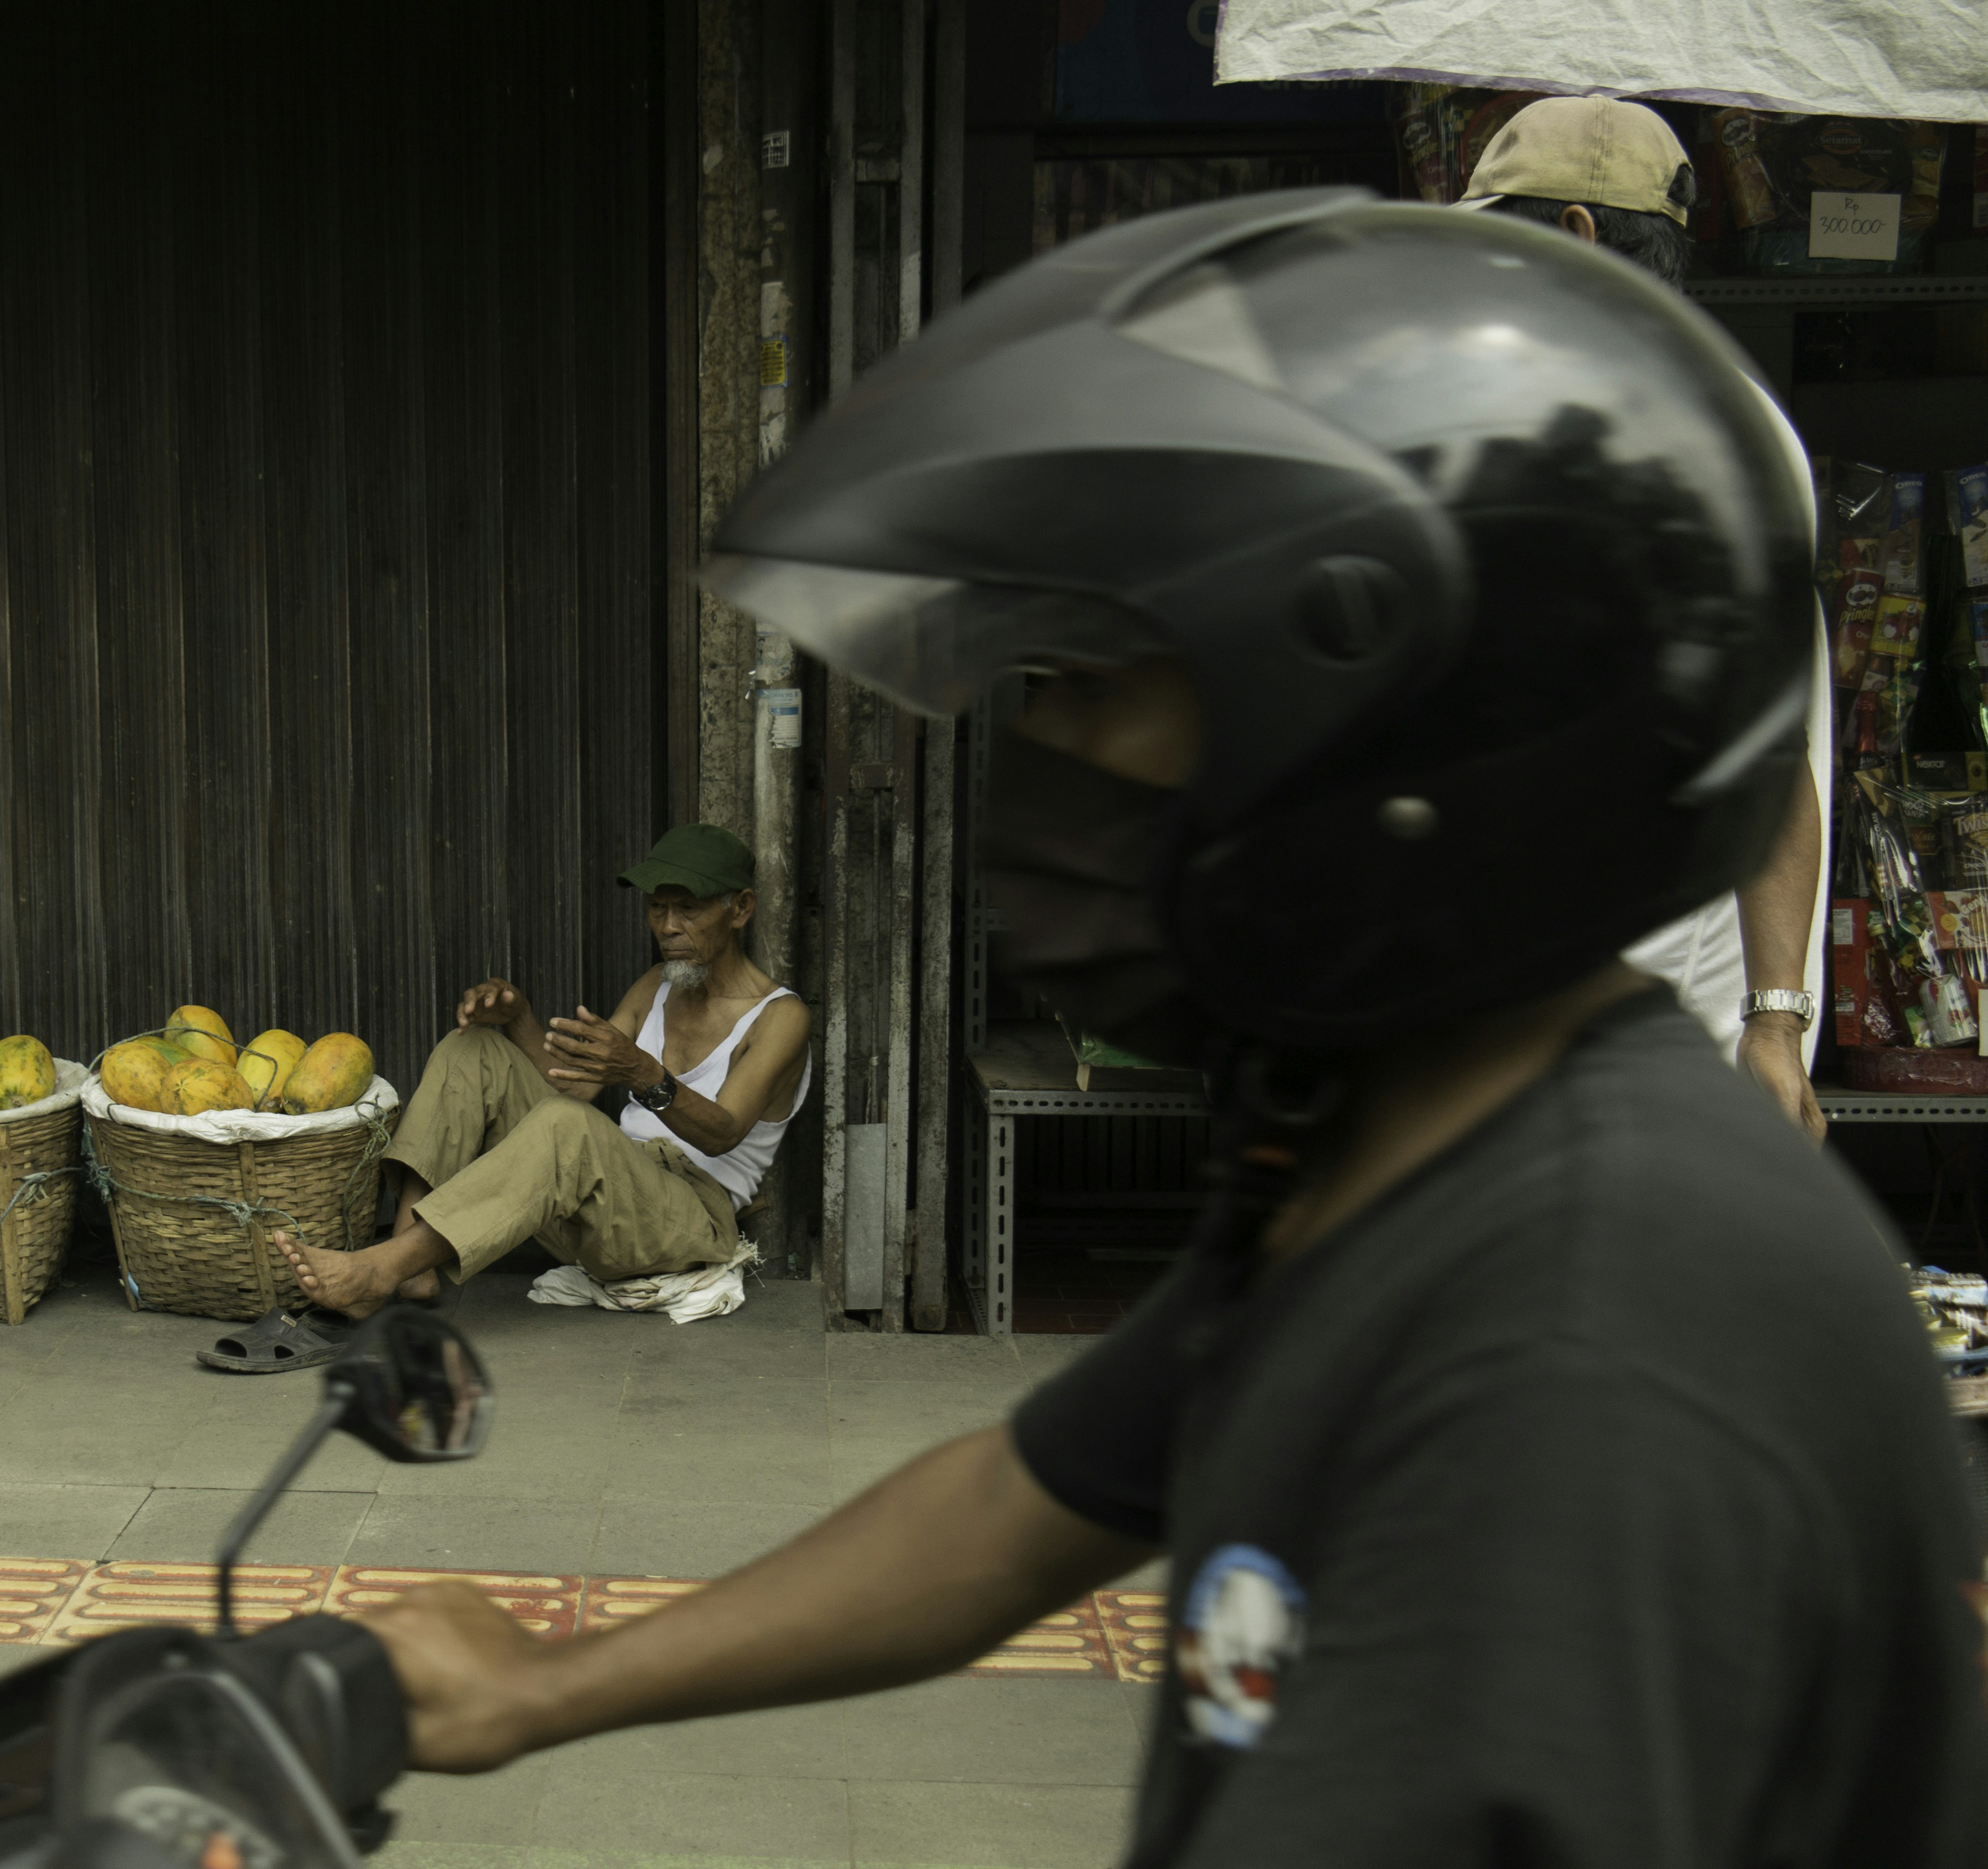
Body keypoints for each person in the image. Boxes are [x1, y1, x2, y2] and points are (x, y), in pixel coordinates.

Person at [359, 192, 1988, 1861]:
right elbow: (1011, 1514)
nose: (1049, 756)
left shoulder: (1585, 1336)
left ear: (1378, 736)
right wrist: (552, 1684)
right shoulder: (1378, 1143)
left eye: (1098, 684)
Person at [1461, 95, 1834, 1141]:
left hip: (1648, 1010)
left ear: (1579, 234)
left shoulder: (1699, 442)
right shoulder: (1565, 409)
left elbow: (1763, 747)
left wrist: (1773, 1024)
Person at [276, 823, 810, 1319]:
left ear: (739, 909)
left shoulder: (780, 1017)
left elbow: (722, 1133)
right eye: (657, 908)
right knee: (473, 1049)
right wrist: (519, 1018)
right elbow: (576, 1084)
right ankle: (413, 1267)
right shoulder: (657, 984)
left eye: (688, 910)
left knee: (566, 1125)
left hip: (689, 1220)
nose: (668, 927)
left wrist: (642, 1071)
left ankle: (380, 1268)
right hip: (609, 1195)